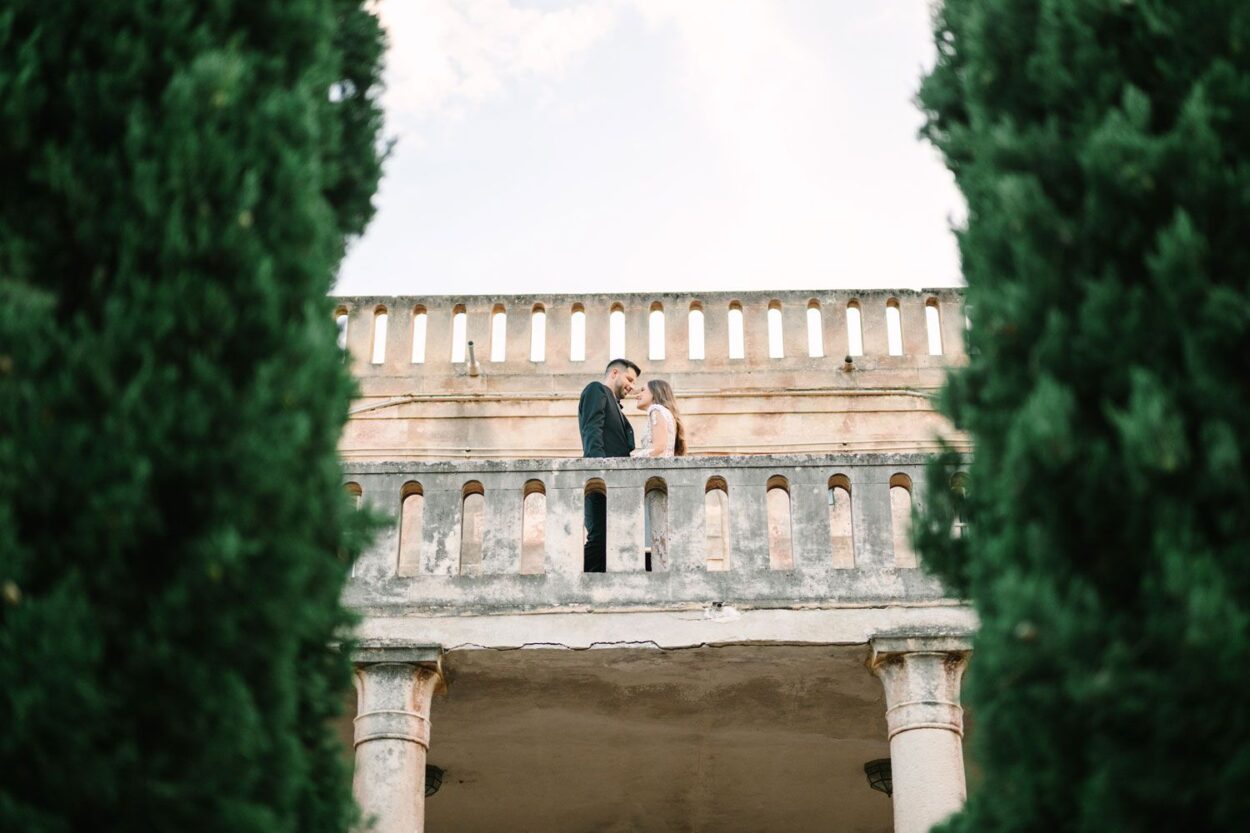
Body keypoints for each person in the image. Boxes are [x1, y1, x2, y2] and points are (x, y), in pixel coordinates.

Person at [578, 358, 641, 572]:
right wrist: (599, 473)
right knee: (599, 538)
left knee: (612, 539)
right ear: (615, 373)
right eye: (629, 379)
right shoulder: (597, 390)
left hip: (616, 486)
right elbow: (592, 430)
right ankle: (581, 587)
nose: (632, 387)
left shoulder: (618, 408)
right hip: (601, 481)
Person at [630, 380, 686, 571]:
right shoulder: (665, 413)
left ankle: (660, 573)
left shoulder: (656, 410)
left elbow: (659, 447)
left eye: (643, 390)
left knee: (658, 529)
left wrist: (633, 457)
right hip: (663, 479)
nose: (637, 393)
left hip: (657, 478)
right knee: (661, 529)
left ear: (655, 393)